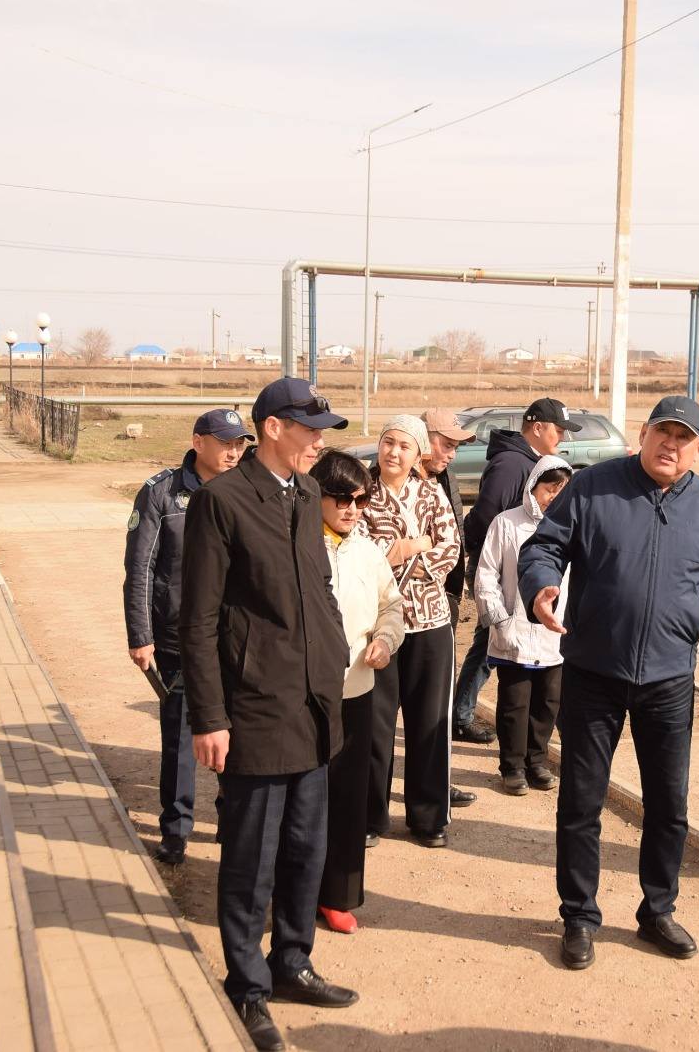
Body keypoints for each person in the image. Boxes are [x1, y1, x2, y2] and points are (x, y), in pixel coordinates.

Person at [519, 396, 699, 971]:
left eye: (683, 437)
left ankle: (657, 912)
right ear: (643, 434)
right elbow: (544, 546)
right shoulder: (593, 488)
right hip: (594, 673)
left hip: (669, 682)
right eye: (662, 432)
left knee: (669, 805)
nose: (670, 445)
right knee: (580, 801)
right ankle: (578, 915)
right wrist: (542, 585)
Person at [179, 379, 358, 1051]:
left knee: (306, 849)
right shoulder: (220, 502)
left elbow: (318, 585)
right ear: (274, 427)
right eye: (311, 428)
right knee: (251, 857)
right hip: (253, 708)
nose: (321, 440)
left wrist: (335, 650)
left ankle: (292, 960)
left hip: (313, 704)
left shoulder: (307, 493)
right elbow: (197, 619)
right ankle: (248, 985)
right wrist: (209, 715)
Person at [122, 409, 253, 866]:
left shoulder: (247, 489)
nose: (234, 451)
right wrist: (140, 635)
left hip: (233, 638)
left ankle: (230, 821)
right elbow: (139, 569)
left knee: (235, 735)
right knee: (180, 740)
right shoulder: (161, 492)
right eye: (225, 442)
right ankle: (175, 829)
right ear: (198, 442)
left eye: (240, 443)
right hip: (178, 640)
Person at [311, 448, 404, 936]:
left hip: (357, 691)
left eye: (360, 500)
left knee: (348, 800)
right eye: (340, 498)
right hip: (303, 696)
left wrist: (386, 640)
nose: (351, 508)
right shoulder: (298, 545)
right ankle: (295, 889)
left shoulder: (369, 552)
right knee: (304, 800)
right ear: (317, 495)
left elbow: (392, 606)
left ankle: (338, 895)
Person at [358, 415, 463, 848]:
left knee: (430, 723)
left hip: (431, 621)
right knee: (374, 724)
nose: (393, 452)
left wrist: (408, 554)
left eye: (404, 445)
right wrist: (410, 546)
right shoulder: (362, 494)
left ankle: (428, 816)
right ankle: (369, 815)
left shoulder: (432, 493)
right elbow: (362, 552)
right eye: (388, 443)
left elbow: (451, 547)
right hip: (379, 623)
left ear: (417, 452)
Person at [454, 397, 581, 743]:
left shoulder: (531, 461)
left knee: (492, 643)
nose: (562, 438)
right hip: (499, 569)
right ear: (537, 427)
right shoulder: (513, 464)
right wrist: (491, 561)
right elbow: (487, 516)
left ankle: (461, 711)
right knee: (491, 642)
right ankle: (461, 714)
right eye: (558, 430)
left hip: (521, 569)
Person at [474, 455, 572, 794]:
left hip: (554, 635)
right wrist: (500, 620)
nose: (554, 498)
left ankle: (537, 761)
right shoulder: (506, 523)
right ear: (533, 487)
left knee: (548, 702)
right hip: (513, 630)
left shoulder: (572, 528)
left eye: (562, 491)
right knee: (515, 702)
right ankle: (511, 766)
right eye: (549, 489)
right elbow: (486, 574)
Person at [418, 408, 482, 811]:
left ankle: (434, 790)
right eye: (446, 444)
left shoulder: (446, 478)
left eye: (456, 446)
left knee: (435, 710)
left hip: (444, 603)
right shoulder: (391, 480)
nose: (451, 454)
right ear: (423, 438)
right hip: (397, 611)